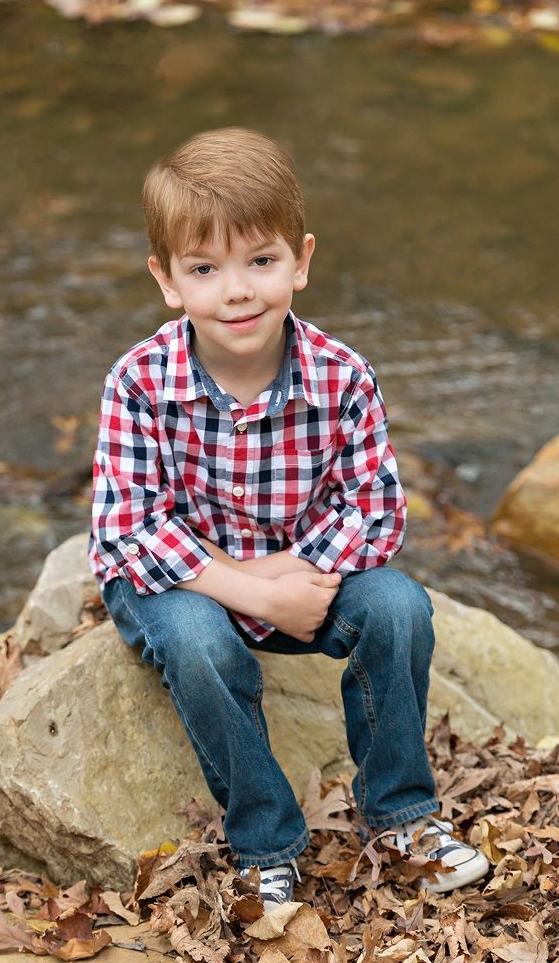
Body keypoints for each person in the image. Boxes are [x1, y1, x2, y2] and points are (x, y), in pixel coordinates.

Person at [90, 127, 489, 913]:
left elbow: (375, 509)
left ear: (301, 260)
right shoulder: (139, 382)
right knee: (200, 642)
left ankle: (402, 817)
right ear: (167, 280)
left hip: (300, 567)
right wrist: (255, 592)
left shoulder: (342, 376)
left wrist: (290, 575)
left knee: (398, 606)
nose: (236, 291)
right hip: (181, 584)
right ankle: (266, 842)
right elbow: (130, 531)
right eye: (204, 269)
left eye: (261, 261)